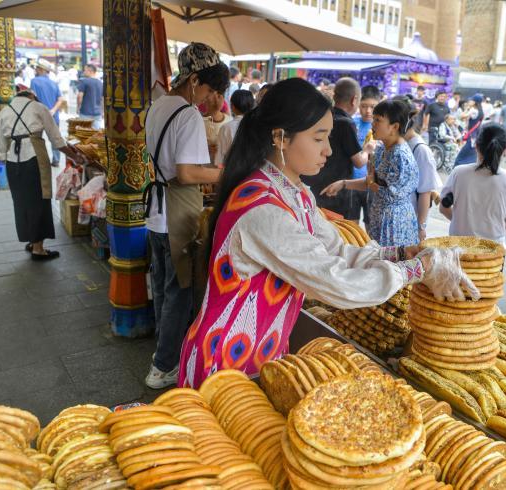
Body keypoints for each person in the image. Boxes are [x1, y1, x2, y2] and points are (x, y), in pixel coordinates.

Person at [177, 78, 472, 387]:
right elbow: (336, 282)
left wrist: (399, 254)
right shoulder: (263, 209)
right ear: (281, 138)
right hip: (223, 366)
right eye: (319, 138)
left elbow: (336, 251)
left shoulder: (294, 192)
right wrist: (419, 269)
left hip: (261, 356)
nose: (329, 150)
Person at [143, 42, 228, 389]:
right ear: (194, 80)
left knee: (164, 285)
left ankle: (164, 350)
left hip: (156, 212)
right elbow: (189, 173)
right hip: (177, 209)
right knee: (179, 289)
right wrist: (225, 172)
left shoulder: (158, 104)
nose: (208, 99)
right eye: (208, 89)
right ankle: (163, 368)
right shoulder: (188, 114)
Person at [0, 87, 79, 261]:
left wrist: (7, 161)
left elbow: (1, 148)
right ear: (32, 96)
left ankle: (32, 241)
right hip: (34, 158)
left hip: (13, 162)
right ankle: (38, 249)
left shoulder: (3, 112)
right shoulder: (38, 108)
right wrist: (76, 157)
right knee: (39, 200)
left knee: (21, 202)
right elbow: (56, 140)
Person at [323, 99, 419, 246]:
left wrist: (371, 181)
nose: (373, 124)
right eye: (374, 119)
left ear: (394, 126)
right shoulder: (381, 148)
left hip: (394, 224)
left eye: (378, 120)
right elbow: (372, 183)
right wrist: (343, 184)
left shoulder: (401, 157)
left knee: (391, 265)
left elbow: (384, 191)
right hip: (379, 218)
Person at [301, 77, 372, 217]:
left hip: (313, 185)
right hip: (335, 191)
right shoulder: (346, 123)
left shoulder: (321, 116)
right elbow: (359, 162)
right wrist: (368, 150)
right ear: (354, 99)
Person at [440, 124, 506, 243]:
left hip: (458, 247)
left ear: (477, 146)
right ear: (504, 150)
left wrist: (460, 222)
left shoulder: (459, 173)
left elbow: (443, 208)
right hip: (493, 251)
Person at [403, 100, 442, 242]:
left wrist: (420, 227)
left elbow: (425, 192)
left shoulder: (420, 150)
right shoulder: (397, 143)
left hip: (410, 221)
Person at [348, 85, 380, 225]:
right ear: (357, 103)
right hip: (352, 183)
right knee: (351, 227)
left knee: (371, 227)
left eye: (372, 107)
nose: (368, 111)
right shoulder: (351, 124)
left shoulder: (382, 127)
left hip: (371, 185)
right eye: (364, 106)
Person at [30, 59, 64, 167]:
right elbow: (61, 99)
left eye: (37, 68)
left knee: (37, 139)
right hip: (53, 116)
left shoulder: (34, 81)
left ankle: (40, 160)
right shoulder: (54, 83)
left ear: (41, 70)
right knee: (55, 139)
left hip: (38, 116)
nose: (36, 70)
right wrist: (53, 110)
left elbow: (32, 97)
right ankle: (56, 160)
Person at [214, 89, 255, 166]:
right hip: (253, 170)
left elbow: (219, 158)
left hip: (232, 170)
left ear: (232, 106)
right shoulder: (258, 126)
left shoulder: (226, 127)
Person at [453, 94, 485, 166]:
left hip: (471, 135)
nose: (469, 101)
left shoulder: (474, 110)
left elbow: (461, 117)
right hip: (476, 134)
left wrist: (467, 108)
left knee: (463, 154)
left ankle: (459, 167)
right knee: (472, 152)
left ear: (474, 102)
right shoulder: (480, 111)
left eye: (471, 100)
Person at [76, 64, 103, 129]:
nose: (84, 72)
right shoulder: (100, 83)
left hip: (85, 112)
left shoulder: (84, 81)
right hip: (97, 113)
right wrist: (102, 111)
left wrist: (78, 107)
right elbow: (102, 99)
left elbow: (80, 96)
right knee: (96, 134)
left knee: (83, 133)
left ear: (90, 71)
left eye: (85, 70)